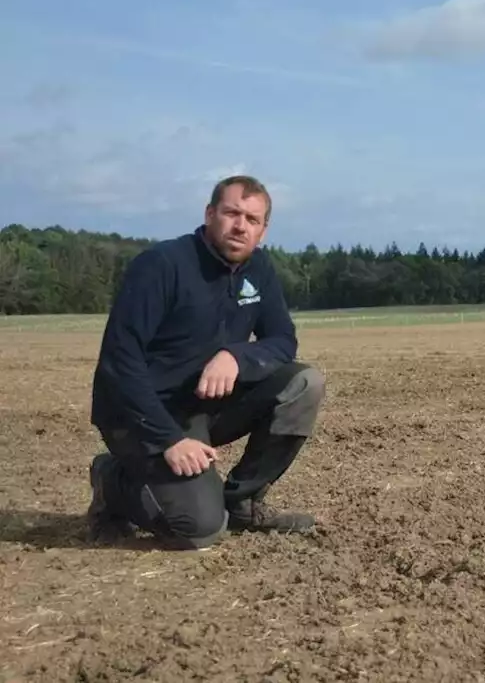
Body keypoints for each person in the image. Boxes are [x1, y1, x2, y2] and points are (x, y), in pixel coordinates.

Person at [86, 174, 325, 550]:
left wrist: (236, 356)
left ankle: (244, 501)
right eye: (232, 213)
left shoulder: (258, 269)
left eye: (252, 219)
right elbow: (120, 362)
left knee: (303, 383)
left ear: (263, 230)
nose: (240, 226)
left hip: (202, 404)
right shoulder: (161, 266)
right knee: (199, 528)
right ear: (210, 213)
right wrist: (167, 439)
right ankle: (112, 479)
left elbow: (282, 340)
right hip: (141, 415)